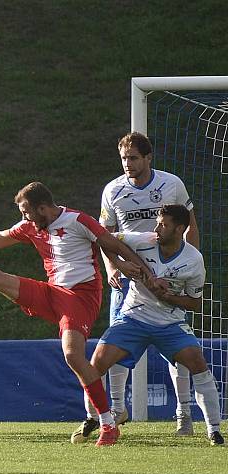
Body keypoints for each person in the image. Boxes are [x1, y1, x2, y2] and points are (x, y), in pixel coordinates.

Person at [0, 181, 156, 446]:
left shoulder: (78, 220)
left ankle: (108, 424)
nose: (25, 219)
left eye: (27, 212)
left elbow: (111, 243)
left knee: (72, 355)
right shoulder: (32, 225)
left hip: (81, 297)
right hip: (52, 292)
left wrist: (136, 268)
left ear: (43, 208)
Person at [79, 132, 202, 441]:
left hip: (167, 278)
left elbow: (190, 228)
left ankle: (184, 415)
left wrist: (190, 266)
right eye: (124, 158)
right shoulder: (113, 191)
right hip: (128, 279)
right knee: (115, 345)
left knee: (179, 351)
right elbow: (104, 235)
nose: (128, 164)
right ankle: (117, 409)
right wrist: (113, 267)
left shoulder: (171, 185)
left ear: (149, 158)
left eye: (133, 158)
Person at [92, 204, 222, 445]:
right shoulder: (143, 239)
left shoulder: (194, 260)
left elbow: (194, 304)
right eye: (157, 223)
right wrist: (118, 265)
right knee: (97, 361)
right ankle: (94, 420)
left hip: (170, 323)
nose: (156, 228)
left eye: (163, 224)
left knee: (197, 361)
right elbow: (104, 239)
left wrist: (167, 296)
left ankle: (213, 429)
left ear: (180, 229)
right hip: (133, 317)